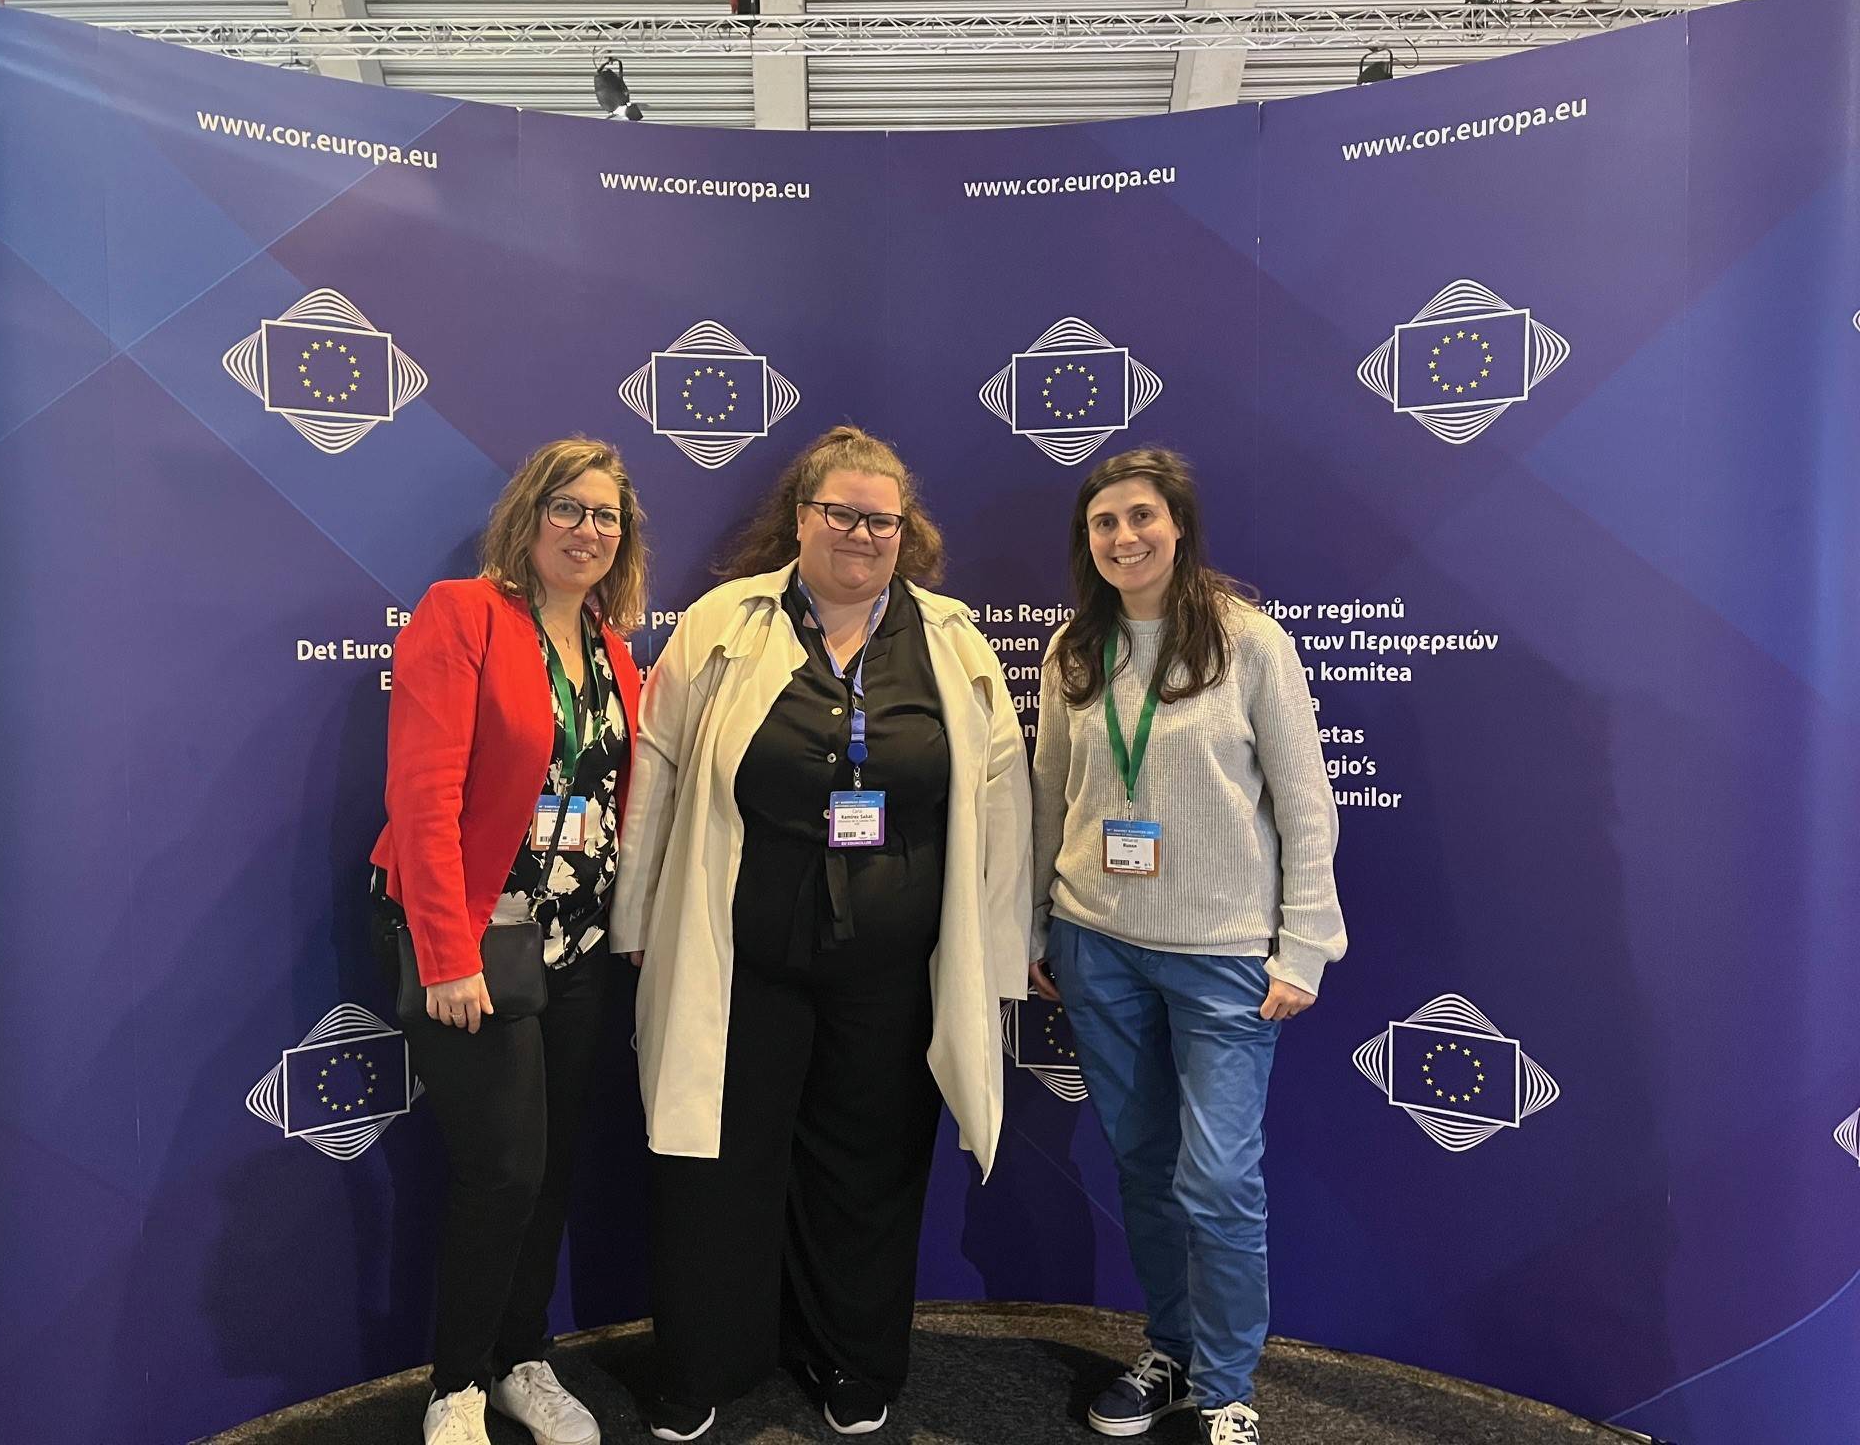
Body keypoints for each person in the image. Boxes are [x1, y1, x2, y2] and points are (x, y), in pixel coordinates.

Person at [611, 425, 1031, 1441]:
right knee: (716, 1162)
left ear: (905, 530)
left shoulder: (953, 639)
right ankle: (705, 1366)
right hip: (741, 957)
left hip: (893, 971)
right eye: (840, 513)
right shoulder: (722, 624)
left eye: (879, 519)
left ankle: (852, 1360)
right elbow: (659, 778)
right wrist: (633, 927)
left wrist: (1009, 949)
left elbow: (1003, 795)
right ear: (801, 517)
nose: (860, 533)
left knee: (870, 1169)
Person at [1029, 448, 1346, 1445]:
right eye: (1103, 524)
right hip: (1097, 944)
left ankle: (1227, 1389)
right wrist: (1035, 923)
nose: (1123, 538)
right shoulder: (1073, 649)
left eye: (1140, 518)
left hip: (1222, 958)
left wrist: (1304, 947)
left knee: (1217, 1179)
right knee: (1143, 1164)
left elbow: (1304, 804)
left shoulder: (1250, 643)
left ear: (1179, 527)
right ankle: (1168, 1351)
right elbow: (1048, 800)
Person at [369, 438, 649, 1445]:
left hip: (575, 946)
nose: (588, 529)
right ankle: (455, 1385)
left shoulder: (616, 650)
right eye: (569, 509)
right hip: (478, 938)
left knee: (554, 1161)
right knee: (504, 1171)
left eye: (607, 516)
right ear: (530, 518)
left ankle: (524, 1358)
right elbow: (423, 793)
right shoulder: (465, 615)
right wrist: (445, 950)